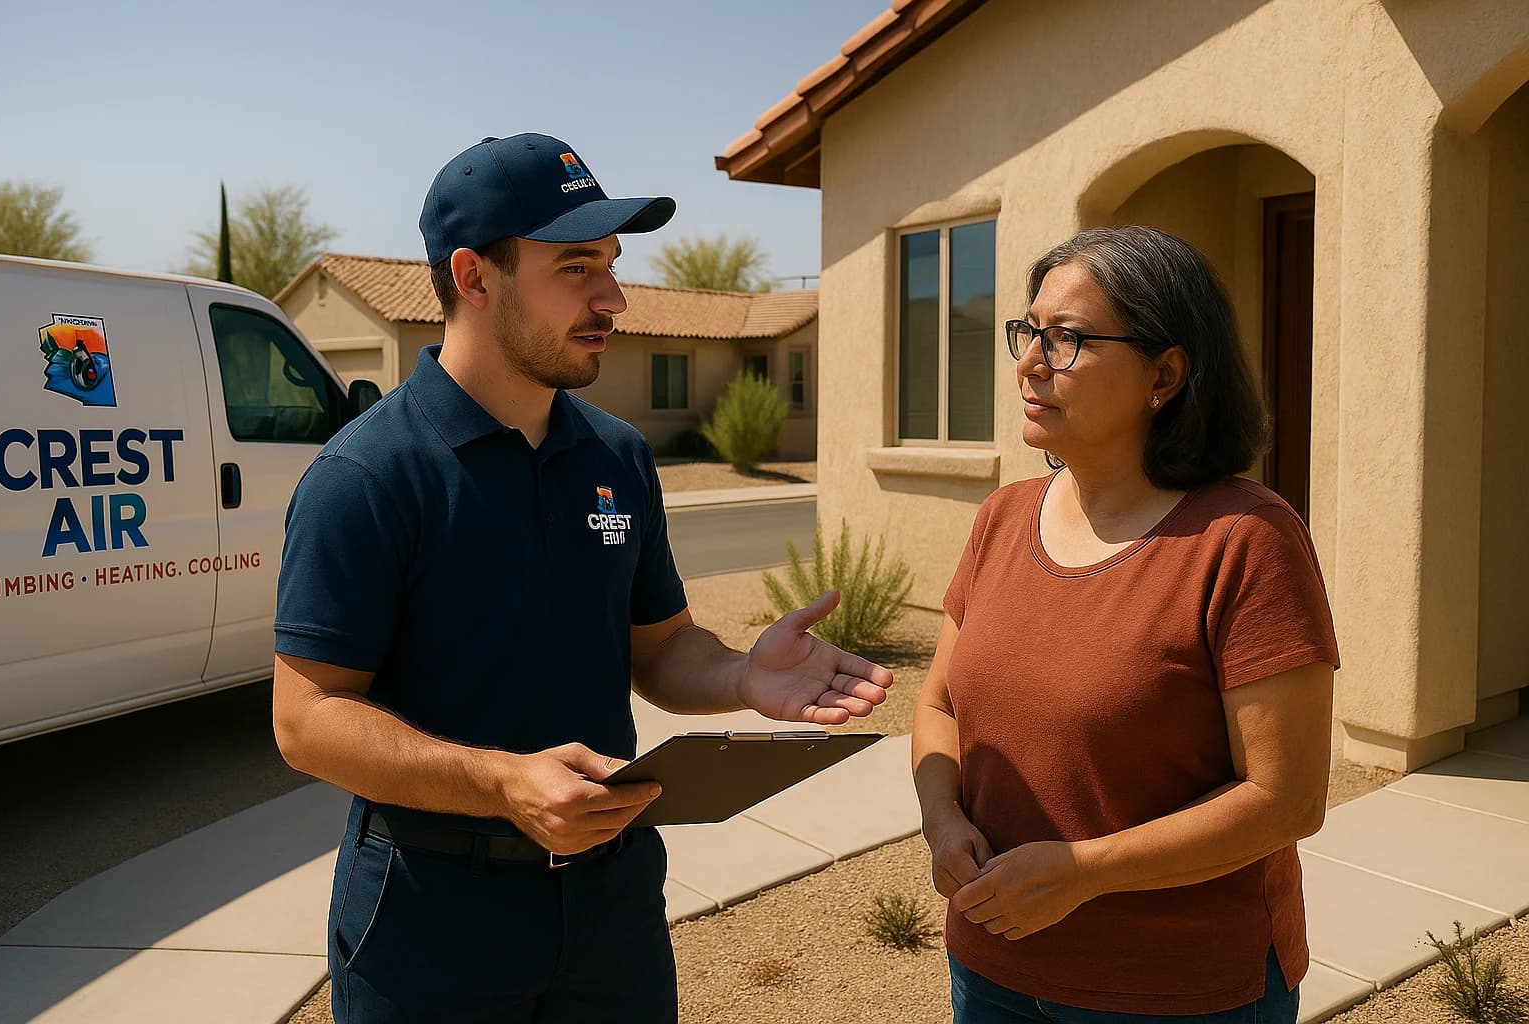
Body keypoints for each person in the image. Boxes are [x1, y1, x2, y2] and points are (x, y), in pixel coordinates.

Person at [271, 133, 894, 1024]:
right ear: (474, 277)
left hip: (611, 905)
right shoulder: (366, 477)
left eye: (610, 263)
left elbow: (662, 648)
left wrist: (742, 676)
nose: (613, 297)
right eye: (575, 268)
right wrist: (500, 782)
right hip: (430, 918)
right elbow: (307, 720)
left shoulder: (617, 456)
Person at [912, 226, 1339, 1023]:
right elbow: (939, 704)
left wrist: (1086, 871)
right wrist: (942, 822)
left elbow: (1285, 799)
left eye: (1067, 339)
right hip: (991, 964)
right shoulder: (1002, 517)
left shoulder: (1246, 540)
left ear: (1165, 374)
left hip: (1177, 991)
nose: (1030, 362)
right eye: (1029, 331)